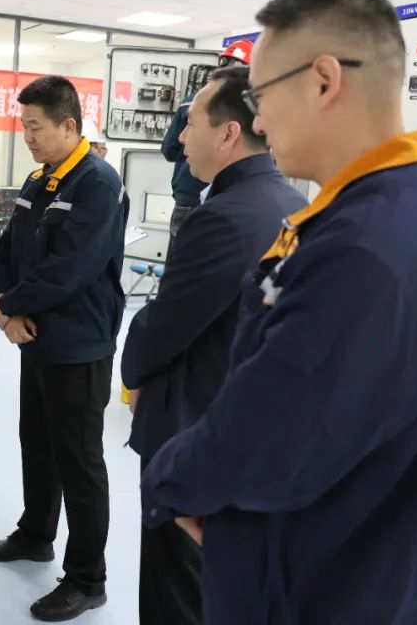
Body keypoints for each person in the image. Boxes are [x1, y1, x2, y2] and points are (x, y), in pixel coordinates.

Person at [141, 0, 417, 624]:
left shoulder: (364, 247)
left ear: (324, 81)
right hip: (394, 568)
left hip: (313, 586)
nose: (256, 121)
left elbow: (267, 437)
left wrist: (170, 482)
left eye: (260, 96)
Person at [121, 66, 306, 624]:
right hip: (249, 423)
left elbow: (164, 327)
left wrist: (132, 364)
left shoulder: (223, 217)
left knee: (175, 589)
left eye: (190, 123)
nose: (180, 137)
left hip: (193, 428)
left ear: (228, 133)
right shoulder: (289, 203)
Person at [0, 75, 128, 622]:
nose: (28, 137)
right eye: (24, 127)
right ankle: (36, 533)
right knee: (38, 444)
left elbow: (71, 269)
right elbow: (8, 248)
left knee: (79, 461)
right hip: (35, 338)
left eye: (35, 127)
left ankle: (88, 578)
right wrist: (6, 303)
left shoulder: (98, 184)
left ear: (69, 126)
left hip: (78, 344)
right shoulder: (40, 179)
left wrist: (10, 307)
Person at [162, 40, 252, 247]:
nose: (184, 137)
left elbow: (169, 150)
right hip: (231, 199)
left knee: (182, 259)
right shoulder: (252, 108)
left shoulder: (192, 101)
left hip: (188, 196)